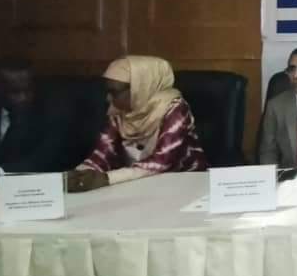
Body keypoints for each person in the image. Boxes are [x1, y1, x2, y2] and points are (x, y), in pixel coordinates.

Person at [67, 56, 205, 192]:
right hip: (138, 185)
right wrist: (79, 174)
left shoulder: (176, 109)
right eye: (107, 91)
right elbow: (102, 154)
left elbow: (162, 162)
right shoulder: (119, 110)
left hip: (184, 185)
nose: (108, 98)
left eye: (114, 92)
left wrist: (106, 178)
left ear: (139, 87)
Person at [0, 58, 71, 194]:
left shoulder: (52, 112)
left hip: (29, 191)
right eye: (14, 92)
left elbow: (43, 159)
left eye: (28, 90)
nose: (23, 97)